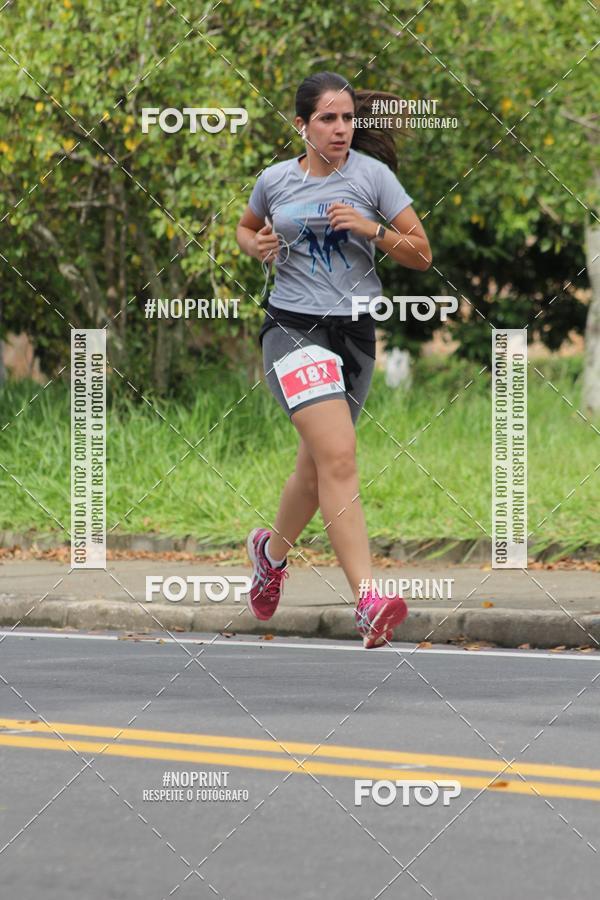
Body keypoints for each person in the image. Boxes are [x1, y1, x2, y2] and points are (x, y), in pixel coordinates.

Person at [235, 71, 432, 648]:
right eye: (327, 118)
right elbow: (246, 230)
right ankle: (368, 600)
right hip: (292, 331)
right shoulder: (274, 181)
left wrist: (370, 228)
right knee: (340, 456)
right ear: (301, 126)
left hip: (355, 337)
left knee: (315, 467)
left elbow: (421, 253)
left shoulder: (375, 178)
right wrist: (258, 245)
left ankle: (268, 555)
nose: (341, 128)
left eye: (348, 118)